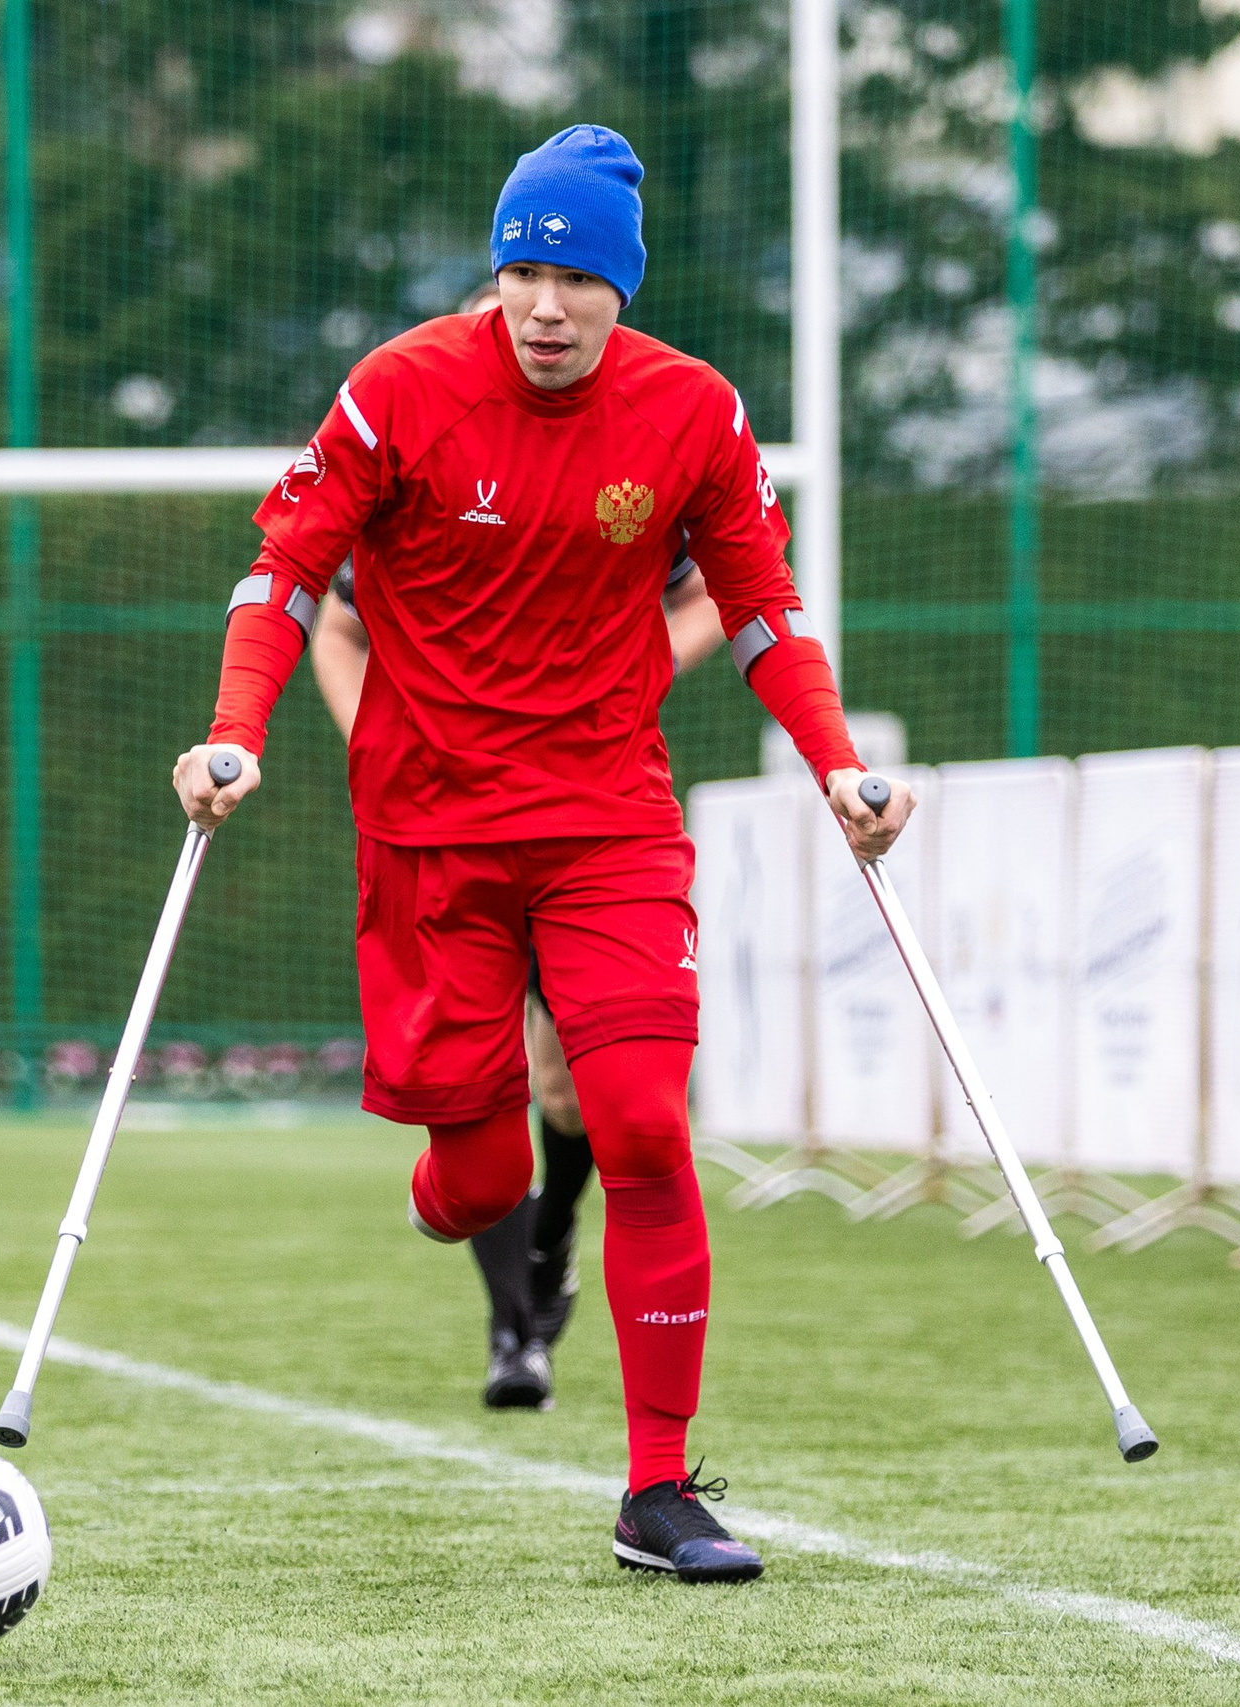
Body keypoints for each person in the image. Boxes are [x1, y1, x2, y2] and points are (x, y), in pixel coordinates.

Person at [174, 125, 914, 1583]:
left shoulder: (695, 414)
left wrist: (839, 764)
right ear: (494, 270)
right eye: (523, 267)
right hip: (432, 835)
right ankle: (451, 1182)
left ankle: (659, 1487)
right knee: (478, 1170)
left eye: (577, 274)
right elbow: (288, 569)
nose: (547, 303)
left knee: (639, 1119)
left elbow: (761, 604)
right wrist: (232, 729)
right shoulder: (399, 392)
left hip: (608, 825)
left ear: (622, 287)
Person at [309, 298, 725, 1411]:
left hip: (586, 812)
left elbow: (723, 594)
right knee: (486, 1103)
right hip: (444, 819)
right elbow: (332, 619)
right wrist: (385, 737)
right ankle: (513, 1327)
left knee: (581, 1090)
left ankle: (551, 1253)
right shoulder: (417, 442)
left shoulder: (640, 452)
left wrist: (613, 686)